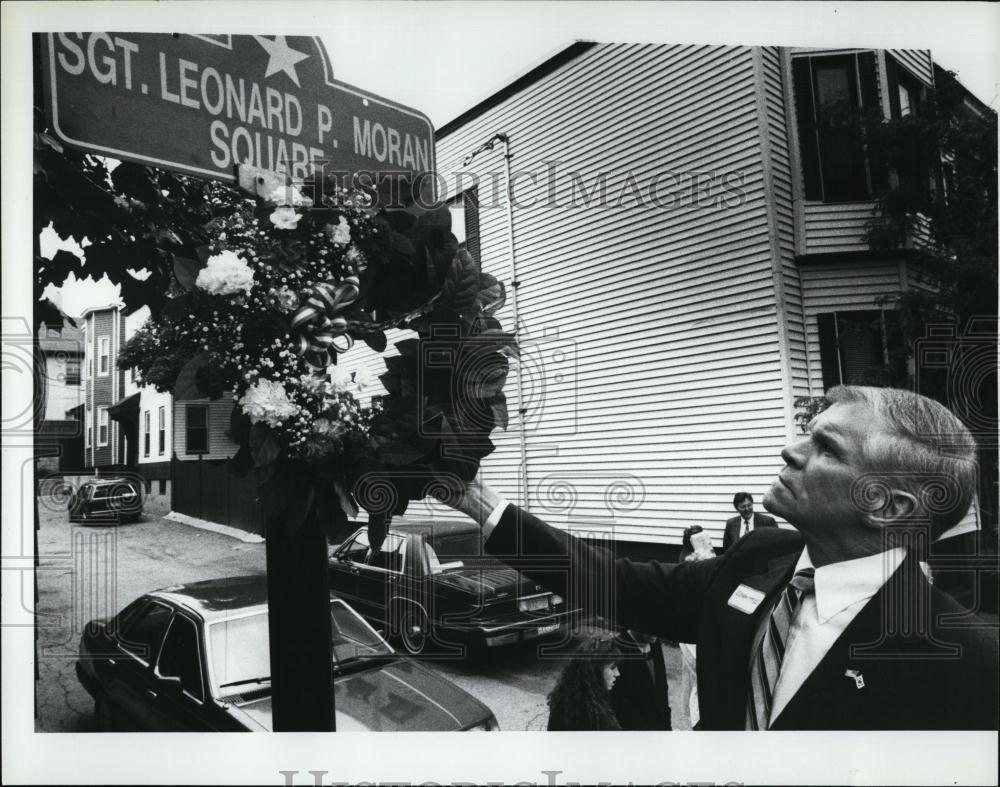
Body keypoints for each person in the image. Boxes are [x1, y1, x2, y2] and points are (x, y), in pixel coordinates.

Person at [448, 385, 999, 730]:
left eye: (828, 448)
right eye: (809, 435)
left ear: (885, 505)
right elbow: (615, 585)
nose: (791, 449)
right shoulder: (756, 558)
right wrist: (476, 499)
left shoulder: (966, 660)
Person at [546, 634, 623, 730]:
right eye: (612, 668)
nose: (617, 673)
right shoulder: (598, 717)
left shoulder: (563, 700)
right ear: (594, 671)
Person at [610, 630, 672, 730]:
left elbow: (662, 688)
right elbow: (620, 702)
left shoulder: (654, 643)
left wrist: (666, 724)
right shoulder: (619, 647)